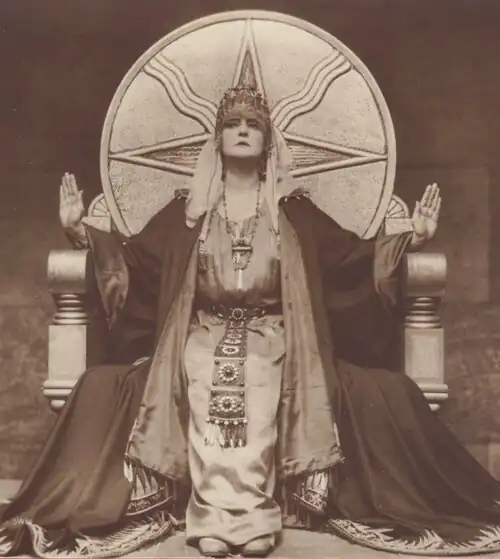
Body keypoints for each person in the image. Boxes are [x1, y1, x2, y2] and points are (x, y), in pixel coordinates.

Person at [1, 85, 500, 559]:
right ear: (217, 138)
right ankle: (211, 522)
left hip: (275, 333)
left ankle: (254, 522)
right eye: (233, 123)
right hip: (200, 332)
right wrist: (81, 234)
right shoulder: (187, 213)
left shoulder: (295, 213)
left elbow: (352, 261)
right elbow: (135, 267)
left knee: (258, 381)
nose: (242, 130)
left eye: (253, 124)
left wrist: (413, 239)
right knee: (202, 377)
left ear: (267, 142)